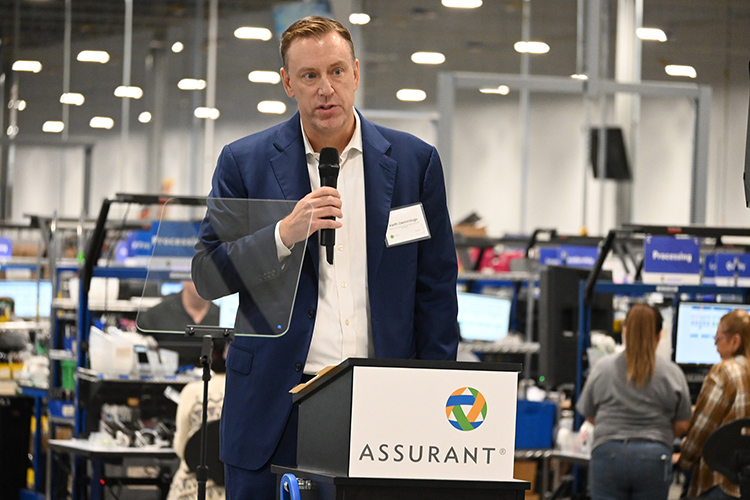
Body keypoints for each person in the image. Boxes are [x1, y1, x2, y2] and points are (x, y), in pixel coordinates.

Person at [191, 16, 459, 500]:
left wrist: (430, 398)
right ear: (287, 83)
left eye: (336, 71)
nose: (326, 89)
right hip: (276, 408)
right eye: (310, 76)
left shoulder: (416, 163)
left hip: (384, 409)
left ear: (356, 72)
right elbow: (208, 273)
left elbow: (436, 293)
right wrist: (282, 235)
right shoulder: (244, 162)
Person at [577, 303, 692, 500]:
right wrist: (657, 432)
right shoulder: (672, 373)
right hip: (653, 458)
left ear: (624, 332)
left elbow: (588, 413)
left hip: (608, 455)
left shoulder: (602, 368)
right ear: (659, 335)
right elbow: (683, 424)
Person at [677, 309, 750, 498]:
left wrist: (684, 460)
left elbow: (702, 429)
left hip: (723, 484)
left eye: (717, 340)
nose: (716, 348)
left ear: (735, 341)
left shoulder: (725, 372)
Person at [167, 339, 227, 500]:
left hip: (193, 491)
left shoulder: (192, 391)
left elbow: (181, 449)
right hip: (233, 490)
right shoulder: (249, 393)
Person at [137, 280, 221, 368]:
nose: (201, 281)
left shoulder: (223, 317)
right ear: (183, 279)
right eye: (195, 276)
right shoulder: (156, 314)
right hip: (164, 377)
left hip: (213, 379)